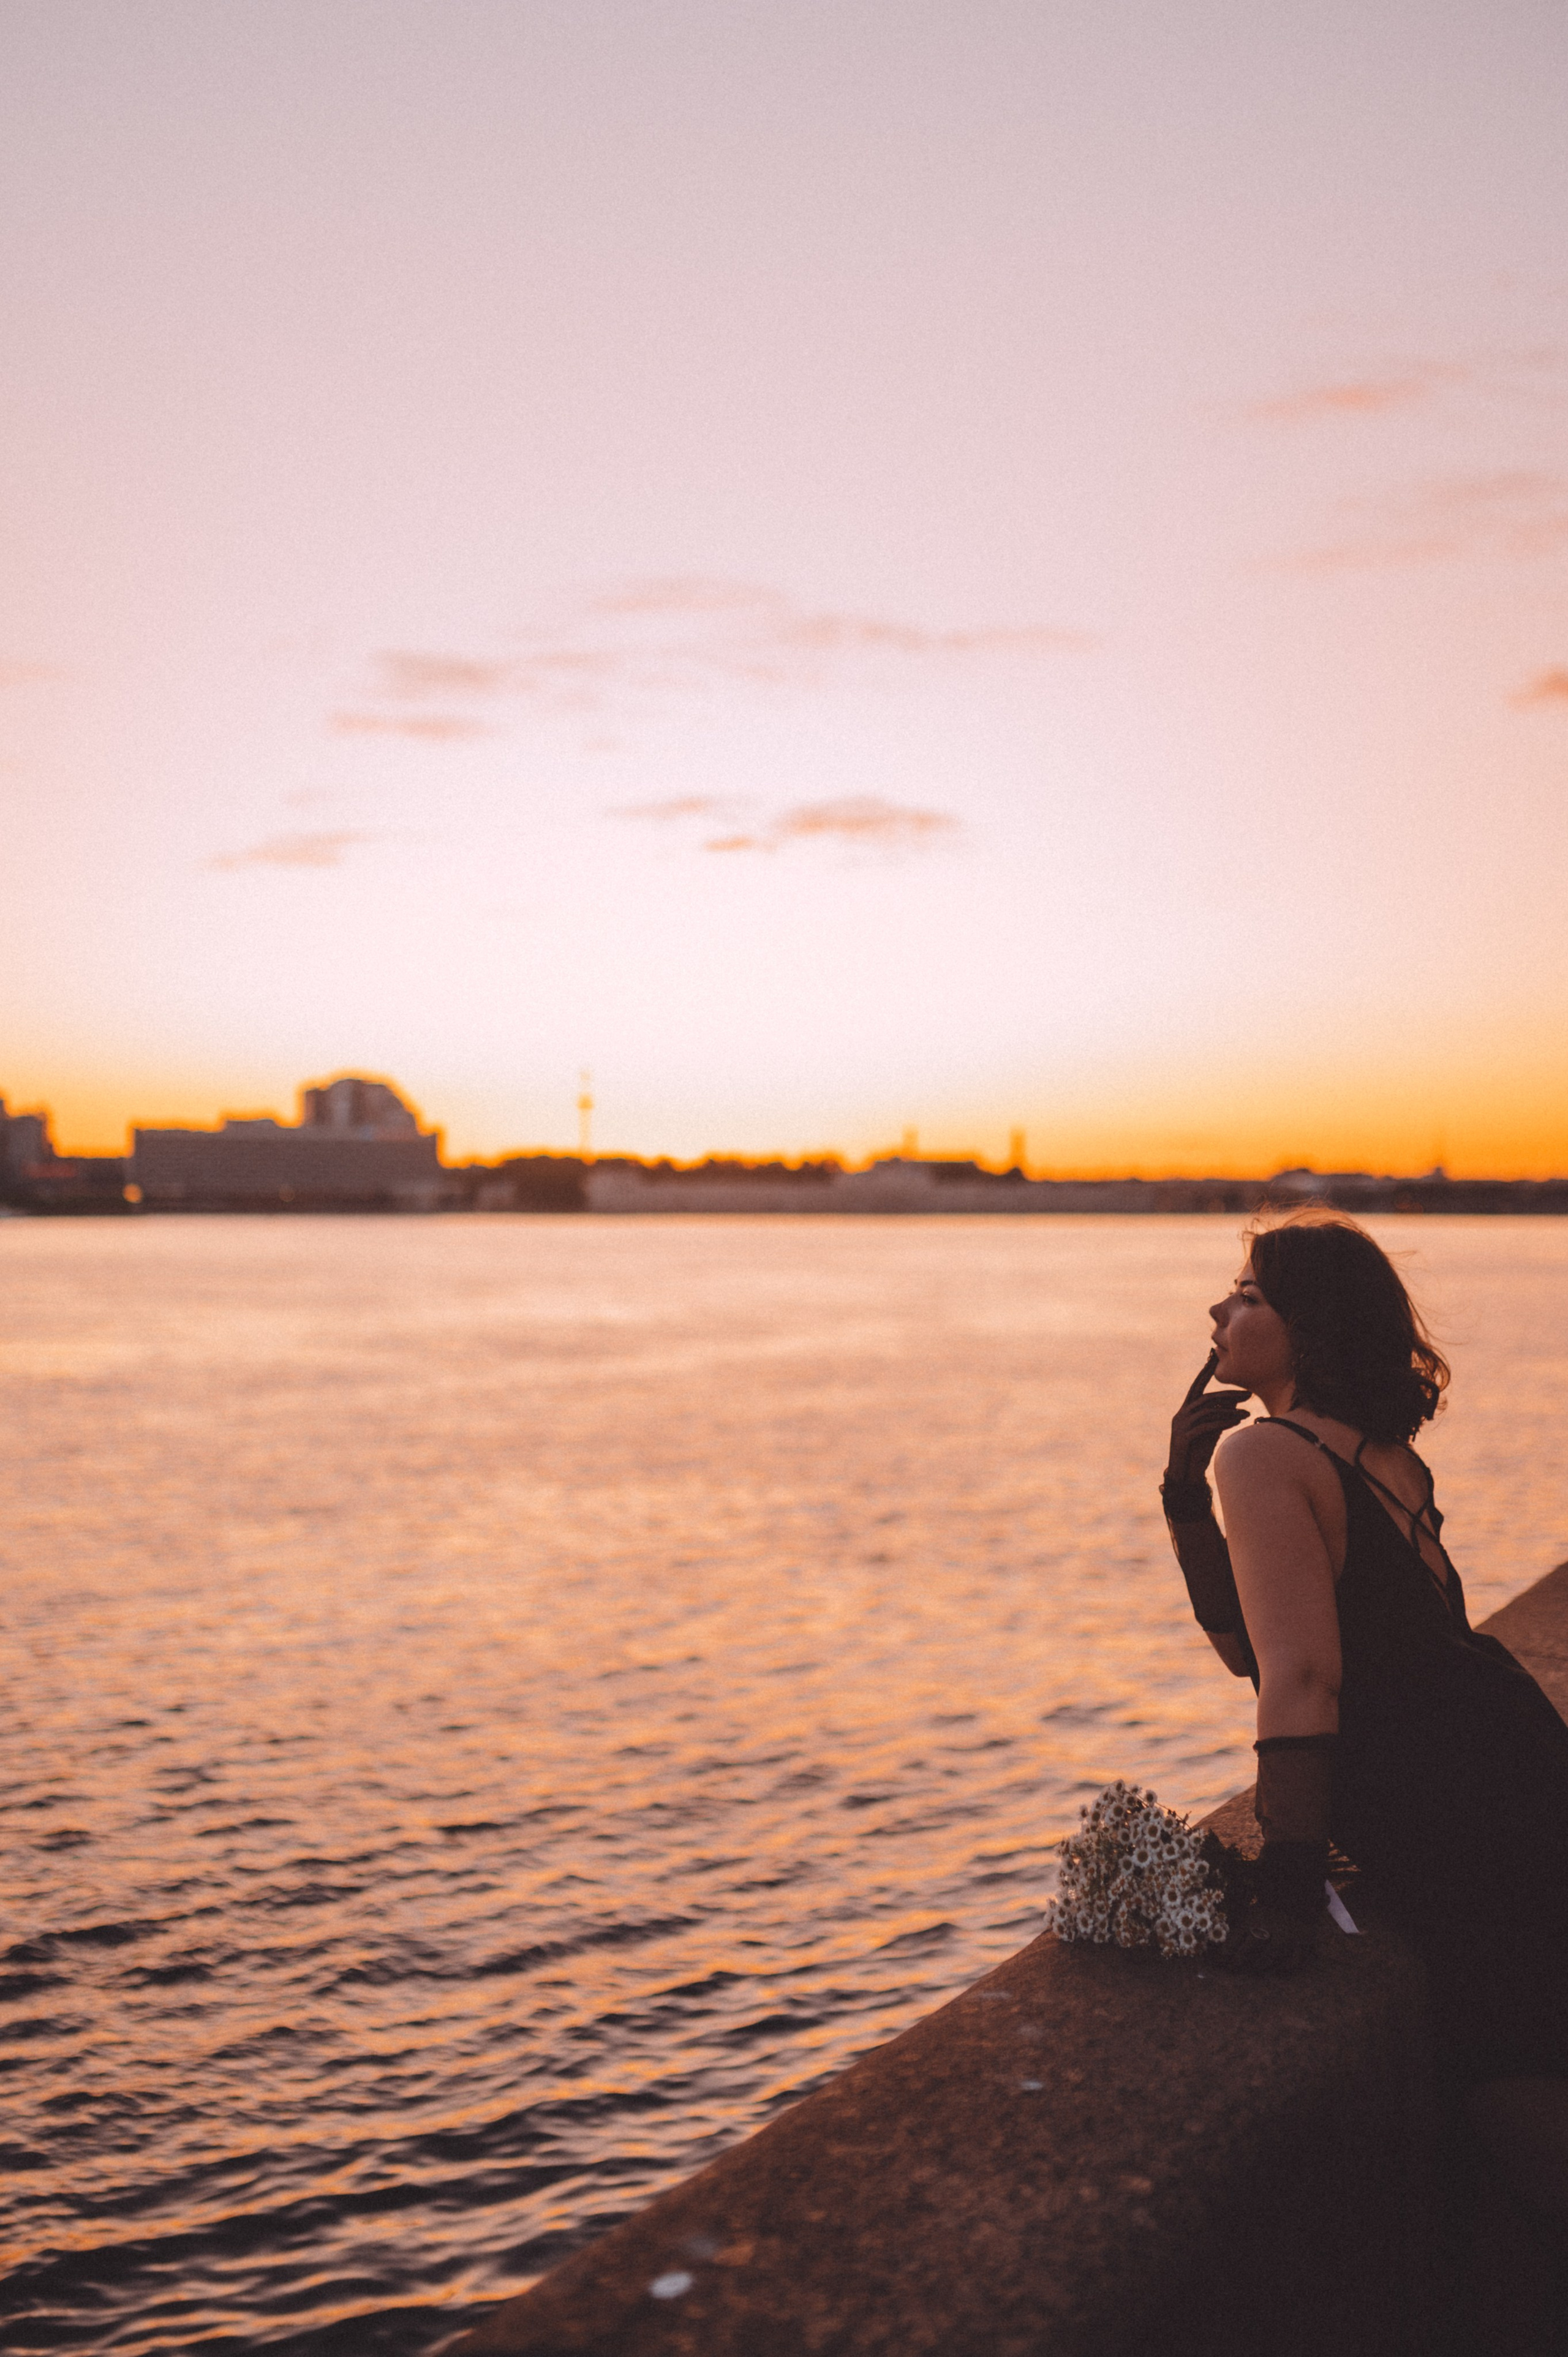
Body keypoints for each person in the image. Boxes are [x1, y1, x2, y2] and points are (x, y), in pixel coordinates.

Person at [1161, 1210, 1568, 2233]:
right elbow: (1266, 1648)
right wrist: (1183, 1502)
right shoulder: (1377, 1451)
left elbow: (1296, 1674)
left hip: (1446, 1800)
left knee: (1510, 2085)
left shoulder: (1263, 1452)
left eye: (1249, 1293)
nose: (1220, 1307)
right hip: (1509, 1750)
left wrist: (1290, 1875)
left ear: (1308, 1323)